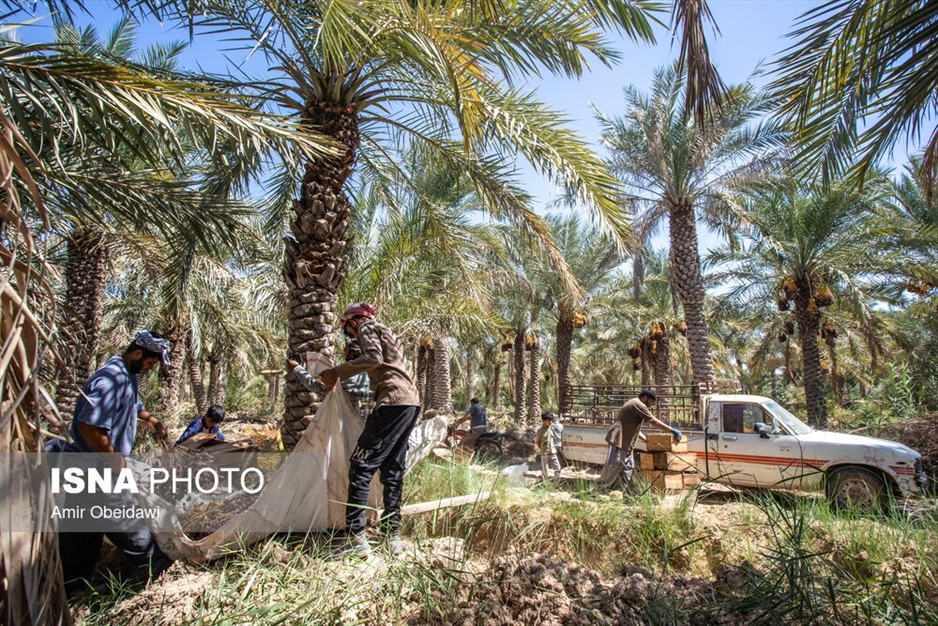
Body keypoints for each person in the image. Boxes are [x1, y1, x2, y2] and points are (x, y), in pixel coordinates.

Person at [56, 330, 174, 595]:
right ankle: (160, 573)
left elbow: (134, 405)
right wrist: (115, 460)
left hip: (86, 470)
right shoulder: (111, 378)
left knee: (81, 532)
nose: (150, 369)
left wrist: (153, 421)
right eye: (150, 363)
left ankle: (71, 589)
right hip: (96, 469)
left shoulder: (127, 376)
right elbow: (89, 425)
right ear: (137, 353)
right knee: (127, 524)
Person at [319, 302, 421, 557]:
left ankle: (356, 537)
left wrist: (336, 372)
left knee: (361, 465)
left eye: (348, 331)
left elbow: (373, 357)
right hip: (410, 403)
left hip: (392, 402)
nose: (352, 337)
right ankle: (392, 535)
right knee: (393, 469)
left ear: (352, 322)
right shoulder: (388, 332)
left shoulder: (366, 328)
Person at [595, 389, 683, 492]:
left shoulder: (635, 404)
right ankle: (598, 488)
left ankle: (627, 493)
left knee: (628, 468)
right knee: (614, 464)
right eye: (650, 402)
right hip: (619, 439)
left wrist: (646, 440)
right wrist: (672, 430)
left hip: (626, 442)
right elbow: (653, 421)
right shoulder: (637, 404)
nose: (650, 405)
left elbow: (635, 429)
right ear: (644, 397)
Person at [535, 413, 561, 480]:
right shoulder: (540, 431)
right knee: (545, 472)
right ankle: (545, 485)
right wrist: (543, 450)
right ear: (544, 421)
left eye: (551, 420)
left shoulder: (552, 428)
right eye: (548, 421)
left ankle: (556, 484)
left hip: (552, 452)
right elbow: (538, 442)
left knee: (558, 469)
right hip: (544, 454)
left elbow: (554, 439)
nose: (550, 422)